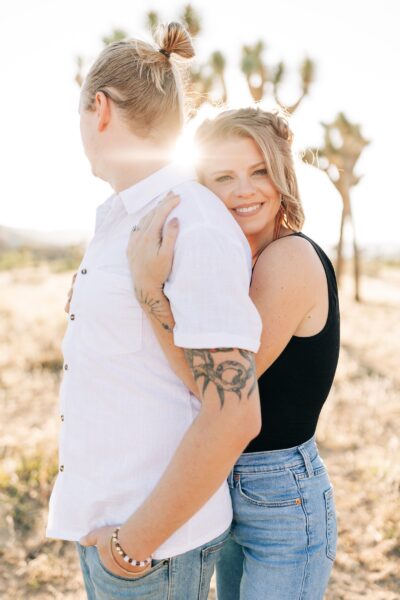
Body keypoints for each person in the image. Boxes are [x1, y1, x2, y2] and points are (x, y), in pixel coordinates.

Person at [46, 23, 263, 600]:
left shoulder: (190, 222)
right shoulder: (121, 219)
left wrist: (131, 547)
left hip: (152, 550)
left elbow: (235, 414)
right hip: (109, 532)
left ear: (99, 109)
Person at [127, 107, 340, 599]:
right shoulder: (233, 263)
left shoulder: (288, 258)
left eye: (259, 170)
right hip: (223, 480)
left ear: (282, 175)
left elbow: (210, 391)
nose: (244, 190)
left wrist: (150, 293)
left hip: (282, 497)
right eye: (224, 176)